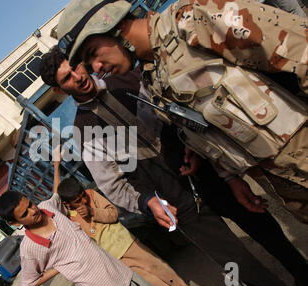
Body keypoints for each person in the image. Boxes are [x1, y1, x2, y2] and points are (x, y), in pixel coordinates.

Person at [39, 46, 298, 286]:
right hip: (176, 203)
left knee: (267, 229)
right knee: (238, 264)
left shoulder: (127, 79)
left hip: (206, 172)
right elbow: (111, 184)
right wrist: (146, 201)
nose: (78, 77)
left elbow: (181, 116)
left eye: (75, 68)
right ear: (59, 90)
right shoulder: (84, 130)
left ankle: (302, 272)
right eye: (67, 78)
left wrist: (221, 168)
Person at [55, 0, 308, 224]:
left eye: (93, 54)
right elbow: (207, 129)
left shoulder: (191, 21)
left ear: (114, 27)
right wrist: (229, 176)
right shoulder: (152, 79)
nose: (97, 69)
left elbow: (299, 48)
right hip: (281, 179)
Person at [52, 150, 192, 286]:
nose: (83, 201)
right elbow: (55, 198)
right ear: (67, 205)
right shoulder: (69, 218)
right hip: (115, 259)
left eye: (82, 196)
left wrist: (93, 212)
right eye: (77, 201)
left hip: (129, 243)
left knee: (159, 267)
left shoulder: (91, 196)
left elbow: (113, 214)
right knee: (150, 281)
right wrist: (56, 166)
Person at [0, 189, 160, 286]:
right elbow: (28, 283)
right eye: (25, 214)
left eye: (30, 204)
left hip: (124, 274)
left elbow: (56, 192)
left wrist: (57, 165)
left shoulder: (48, 207)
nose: (33, 211)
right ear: (15, 223)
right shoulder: (30, 248)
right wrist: (58, 269)